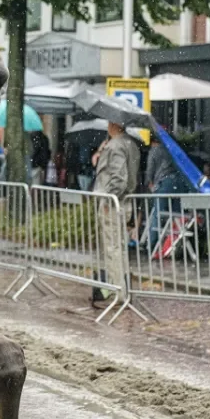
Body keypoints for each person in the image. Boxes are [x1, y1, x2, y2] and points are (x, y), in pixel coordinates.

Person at [92, 122, 138, 302]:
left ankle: (118, 291)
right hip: (124, 202)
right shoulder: (130, 144)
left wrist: (110, 198)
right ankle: (120, 288)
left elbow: (119, 178)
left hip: (114, 202)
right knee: (118, 247)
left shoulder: (116, 145)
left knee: (113, 248)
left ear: (115, 125)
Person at [144, 137, 189, 256]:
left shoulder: (154, 150)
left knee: (158, 215)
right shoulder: (172, 149)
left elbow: (149, 171)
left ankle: (152, 248)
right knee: (178, 217)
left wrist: (149, 184)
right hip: (180, 184)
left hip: (164, 184)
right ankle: (175, 247)